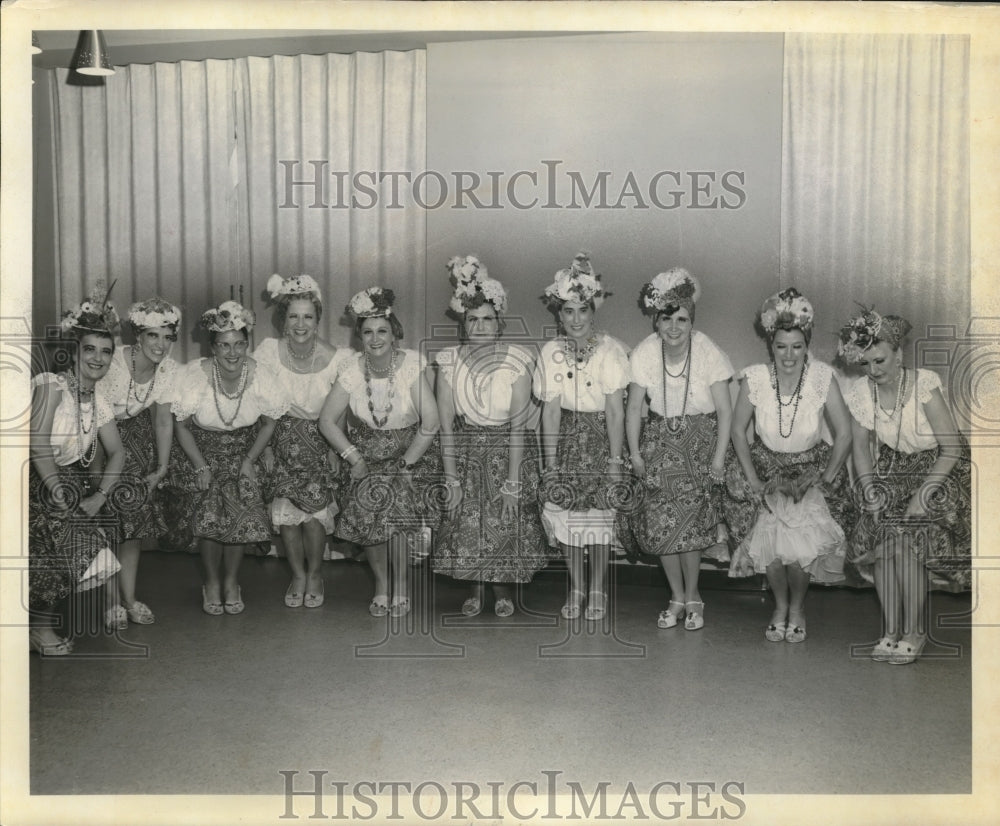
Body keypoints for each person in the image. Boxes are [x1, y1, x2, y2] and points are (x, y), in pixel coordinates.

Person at [838, 308, 971, 664]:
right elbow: (862, 453)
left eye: (880, 360)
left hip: (939, 470)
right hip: (894, 470)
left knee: (908, 538)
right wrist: (869, 492)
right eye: (866, 364)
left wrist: (923, 495)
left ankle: (915, 631)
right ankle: (890, 631)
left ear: (899, 354)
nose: (874, 370)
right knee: (883, 535)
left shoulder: (924, 384)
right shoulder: (860, 392)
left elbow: (953, 448)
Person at [726, 288, 853, 643]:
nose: (789, 355)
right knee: (773, 552)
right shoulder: (754, 378)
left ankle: (797, 608)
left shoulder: (822, 378)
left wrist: (825, 480)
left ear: (806, 344)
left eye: (797, 346)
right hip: (767, 469)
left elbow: (844, 434)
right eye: (781, 346)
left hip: (809, 469)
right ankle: (779, 606)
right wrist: (752, 480)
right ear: (771, 345)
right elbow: (738, 431)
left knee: (799, 552)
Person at [431, 255, 548, 617]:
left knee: (503, 518)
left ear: (499, 323)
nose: (480, 327)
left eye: (487, 320)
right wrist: (451, 477)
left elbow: (517, 426)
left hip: (507, 451)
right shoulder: (449, 361)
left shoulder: (519, 359)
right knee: (467, 521)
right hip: (466, 451)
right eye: (472, 320)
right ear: (463, 324)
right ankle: (475, 589)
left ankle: (502, 591)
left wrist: (513, 481)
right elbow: (446, 425)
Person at [319, 287, 440, 618]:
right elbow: (326, 421)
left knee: (396, 509)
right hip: (366, 458)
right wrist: (353, 457)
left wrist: (406, 464)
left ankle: (401, 585)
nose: (375, 339)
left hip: (411, 455)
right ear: (359, 336)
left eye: (382, 331)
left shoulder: (411, 364)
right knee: (371, 505)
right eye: (367, 332)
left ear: (394, 332)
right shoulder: (352, 369)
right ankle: (382, 585)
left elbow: (430, 422)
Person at [623, 268, 733, 630]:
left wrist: (718, 458)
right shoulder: (643, 353)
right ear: (656, 321)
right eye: (667, 319)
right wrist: (636, 455)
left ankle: (695, 597)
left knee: (691, 529)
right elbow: (634, 408)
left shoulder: (707, 351)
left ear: (691, 320)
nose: (674, 327)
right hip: (658, 445)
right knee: (663, 528)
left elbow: (725, 410)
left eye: (682, 319)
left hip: (700, 446)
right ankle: (675, 597)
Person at [170, 300, 285, 616]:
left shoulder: (263, 375)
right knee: (210, 513)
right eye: (224, 345)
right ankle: (211, 582)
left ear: (247, 343)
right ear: (213, 347)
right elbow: (181, 425)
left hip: (244, 451)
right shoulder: (194, 374)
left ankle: (232, 582)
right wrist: (201, 465)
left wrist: (249, 460)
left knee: (238, 510)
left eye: (238, 344)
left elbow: (270, 423)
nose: (232, 353)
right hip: (202, 451)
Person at [28, 286, 126, 654]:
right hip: (28, 477)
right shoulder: (51, 385)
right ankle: (37, 627)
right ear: (74, 351)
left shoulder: (98, 400)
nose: (98, 359)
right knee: (59, 546)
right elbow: (37, 443)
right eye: (90, 350)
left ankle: (37, 627)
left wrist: (100, 497)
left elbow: (117, 453)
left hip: (64, 482)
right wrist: (56, 490)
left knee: (74, 548)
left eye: (106, 352)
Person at [534, 253, 629, 621]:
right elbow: (551, 411)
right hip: (567, 441)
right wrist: (551, 463)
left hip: (601, 440)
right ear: (559, 314)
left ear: (593, 312)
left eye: (583, 311)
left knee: (600, 522)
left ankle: (598, 589)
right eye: (569, 311)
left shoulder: (610, 351)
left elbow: (615, 411)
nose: (576, 319)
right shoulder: (551, 352)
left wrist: (615, 460)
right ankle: (575, 587)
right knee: (571, 522)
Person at [256, 274, 347, 608]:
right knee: (287, 516)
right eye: (293, 315)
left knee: (315, 515)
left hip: (319, 440)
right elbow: (259, 401)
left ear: (318, 319)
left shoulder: (337, 358)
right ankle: (297, 574)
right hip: (278, 438)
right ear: (283, 317)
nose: (300, 323)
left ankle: (316, 574)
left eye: (308, 316)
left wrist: (337, 448)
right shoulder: (267, 352)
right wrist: (264, 447)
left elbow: (340, 408)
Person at [96, 297, 180, 625]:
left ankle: (129, 598)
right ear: (138, 336)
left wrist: (161, 467)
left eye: (167, 337)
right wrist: (100, 470)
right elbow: (95, 415)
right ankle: (111, 603)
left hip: (138, 444)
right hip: (101, 443)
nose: (160, 345)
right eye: (152, 336)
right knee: (106, 529)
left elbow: (162, 420)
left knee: (132, 529)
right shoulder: (113, 363)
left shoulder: (168, 371)